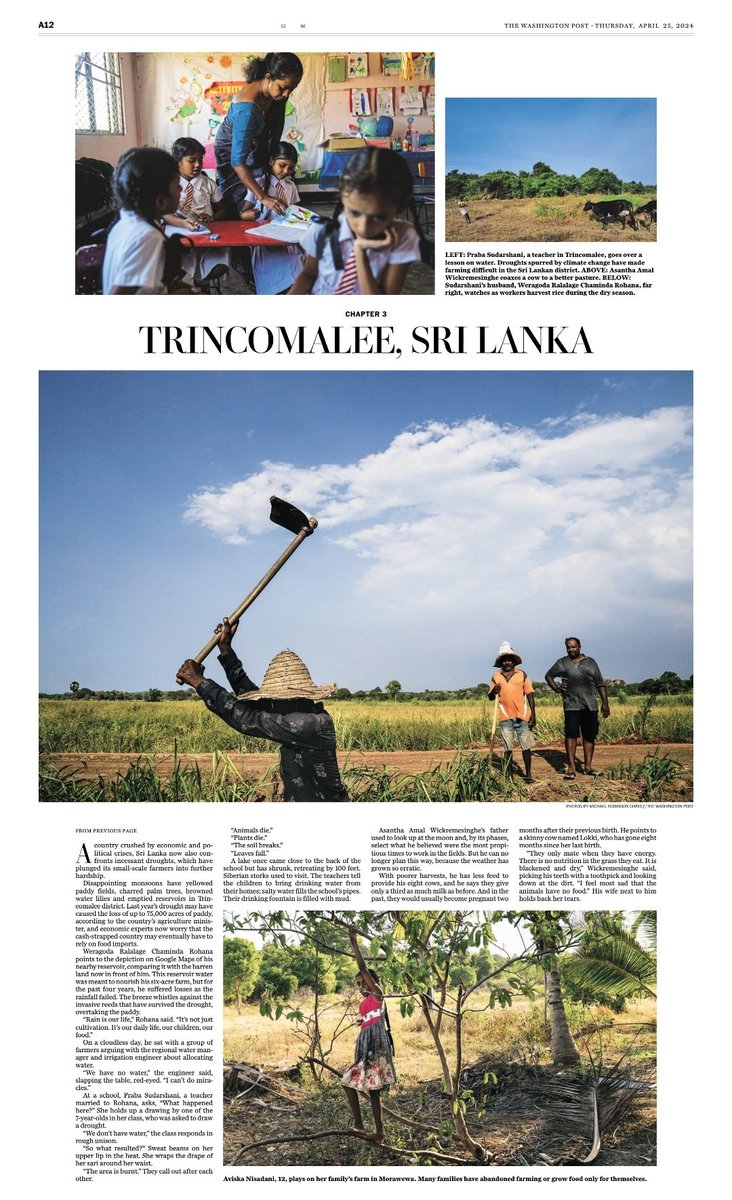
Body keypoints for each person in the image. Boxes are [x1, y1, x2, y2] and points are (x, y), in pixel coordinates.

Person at [176, 617, 348, 802]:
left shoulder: (308, 724)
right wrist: (226, 650)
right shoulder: (300, 713)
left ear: (293, 697)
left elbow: (247, 718)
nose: (271, 702)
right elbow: (252, 702)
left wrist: (199, 682)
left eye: (275, 697)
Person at [289, 147, 425, 295]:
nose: (363, 228)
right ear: (342, 197)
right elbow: (309, 274)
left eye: (378, 217)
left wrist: (359, 252)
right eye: (354, 212)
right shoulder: (321, 230)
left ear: (400, 207)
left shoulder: (404, 237)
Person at [214, 52, 303, 219]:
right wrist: (263, 197)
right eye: (283, 87)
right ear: (268, 78)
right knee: (241, 201)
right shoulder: (246, 111)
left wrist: (270, 155)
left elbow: (275, 132)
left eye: (292, 89)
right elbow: (237, 162)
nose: (286, 94)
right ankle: (243, 237)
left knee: (264, 181)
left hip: (253, 142)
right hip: (231, 152)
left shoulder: (276, 96)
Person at [102, 147, 196, 294]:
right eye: (177, 185)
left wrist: (169, 285)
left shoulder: (125, 222)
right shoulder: (148, 236)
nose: (181, 190)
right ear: (160, 201)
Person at [341, 926, 396, 1145]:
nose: (362, 986)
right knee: (348, 1083)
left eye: (365, 982)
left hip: (377, 1047)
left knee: (373, 1092)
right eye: (359, 984)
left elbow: (363, 967)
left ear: (373, 982)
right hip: (364, 1048)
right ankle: (363, 1126)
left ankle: (376, 1132)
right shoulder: (363, 1004)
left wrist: (354, 943)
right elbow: (370, 1019)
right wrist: (363, 1022)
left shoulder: (378, 993)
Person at [241, 142, 306, 293]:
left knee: (296, 267)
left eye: (290, 168)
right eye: (282, 165)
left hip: (287, 237)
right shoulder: (258, 184)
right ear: (271, 161)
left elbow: (296, 211)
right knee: (271, 277)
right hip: (264, 240)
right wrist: (248, 215)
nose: (285, 171)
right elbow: (243, 214)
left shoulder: (290, 186)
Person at [165, 137, 230, 286]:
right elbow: (164, 214)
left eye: (200, 160)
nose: (198, 164)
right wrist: (183, 223)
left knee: (217, 267)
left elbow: (223, 209)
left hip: (206, 236)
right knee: (172, 266)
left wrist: (212, 218)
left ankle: (202, 283)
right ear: (177, 161)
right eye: (192, 160)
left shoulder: (207, 183)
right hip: (180, 235)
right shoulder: (169, 183)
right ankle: (177, 285)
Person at [545, 637, 610, 779]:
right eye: (568, 647)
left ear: (579, 647)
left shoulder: (590, 663)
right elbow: (549, 675)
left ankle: (588, 767)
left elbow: (600, 684)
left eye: (573, 647)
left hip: (590, 705)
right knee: (571, 735)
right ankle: (572, 768)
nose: (571, 649)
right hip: (571, 705)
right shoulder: (562, 662)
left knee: (589, 736)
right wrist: (556, 688)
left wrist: (605, 703)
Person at [488, 641, 537, 783]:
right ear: (501, 662)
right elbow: (491, 697)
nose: (507, 662)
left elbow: (530, 694)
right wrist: (493, 691)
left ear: (514, 661)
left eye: (509, 659)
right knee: (507, 747)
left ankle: (528, 775)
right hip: (505, 717)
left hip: (522, 716)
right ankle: (509, 777)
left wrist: (533, 714)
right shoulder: (495, 677)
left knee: (526, 746)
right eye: (504, 660)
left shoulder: (522, 675)